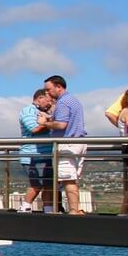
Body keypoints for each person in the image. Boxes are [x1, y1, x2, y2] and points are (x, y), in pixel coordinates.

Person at [44, 74, 86, 215]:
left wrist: (46, 123)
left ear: (58, 87)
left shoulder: (63, 103)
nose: (47, 93)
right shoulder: (73, 100)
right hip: (78, 142)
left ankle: (74, 210)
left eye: (49, 89)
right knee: (72, 179)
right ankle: (76, 208)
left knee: (68, 179)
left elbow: (61, 124)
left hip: (68, 144)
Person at [18, 88, 55, 212]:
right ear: (40, 98)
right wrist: (51, 124)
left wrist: (48, 120)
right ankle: (25, 207)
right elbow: (33, 128)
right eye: (48, 100)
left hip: (48, 154)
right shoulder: (28, 111)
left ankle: (48, 209)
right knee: (37, 184)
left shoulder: (46, 112)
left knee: (49, 184)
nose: (50, 103)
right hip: (33, 154)